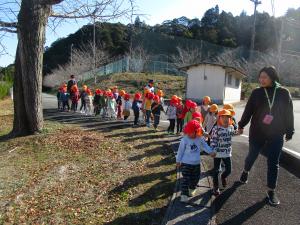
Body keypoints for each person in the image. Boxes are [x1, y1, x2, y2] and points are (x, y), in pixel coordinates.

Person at [238, 66, 294, 206]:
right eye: (260, 77)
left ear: (272, 77)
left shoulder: (283, 93)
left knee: (273, 162)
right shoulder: (256, 92)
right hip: (257, 132)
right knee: (252, 155)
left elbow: (289, 113)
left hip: (276, 133)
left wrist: (290, 130)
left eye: (265, 77)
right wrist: (241, 125)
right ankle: (246, 171)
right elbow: (248, 111)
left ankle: (271, 190)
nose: (261, 80)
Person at [176, 120, 216, 203]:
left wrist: (210, 152)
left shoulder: (200, 138)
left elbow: (205, 146)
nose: (190, 134)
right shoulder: (184, 140)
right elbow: (180, 151)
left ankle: (192, 188)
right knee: (185, 179)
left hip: (196, 163)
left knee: (196, 178)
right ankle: (184, 194)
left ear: (197, 131)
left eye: (192, 132)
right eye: (188, 132)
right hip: (186, 163)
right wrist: (178, 161)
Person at [210, 109, 238, 196]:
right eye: (223, 117)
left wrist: (239, 132)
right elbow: (213, 140)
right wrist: (213, 150)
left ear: (230, 119)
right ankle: (215, 187)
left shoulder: (231, 127)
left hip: (227, 153)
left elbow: (233, 133)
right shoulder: (216, 128)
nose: (225, 119)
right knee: (216, 170)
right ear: (219, 118)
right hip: (217, 153)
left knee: (229, 170)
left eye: (227, 117)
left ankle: (223, 176)